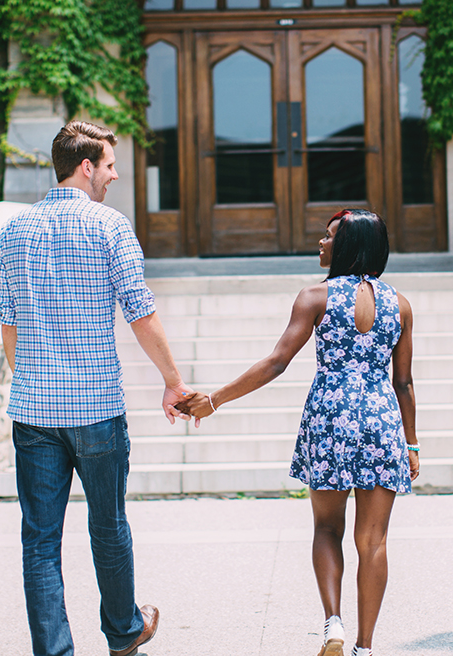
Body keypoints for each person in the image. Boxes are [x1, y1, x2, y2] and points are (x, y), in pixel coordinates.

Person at [0, 120, 204, 656]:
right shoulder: (110, 226)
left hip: (34, 411)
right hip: (95, 409)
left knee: (40, 541)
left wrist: (32, 385)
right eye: (109, 165)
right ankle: (123, 630)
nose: (114, 175)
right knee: (107, 525)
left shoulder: (12, 232)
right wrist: (174, 383)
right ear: (86, 166)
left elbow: (9, 323)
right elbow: (141, 312)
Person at [178, 209, 420, 656]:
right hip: (382, 420)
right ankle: (365, 648)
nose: (321, 244)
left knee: (327, 528)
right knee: (374, 541)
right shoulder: (400, 305)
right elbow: (403, 382)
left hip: (329, 417)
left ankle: (333, 625)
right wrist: (411, 443)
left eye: (329, 238)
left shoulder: (315, 297)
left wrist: (215, 400)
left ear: (347, 247)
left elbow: (276, 362)